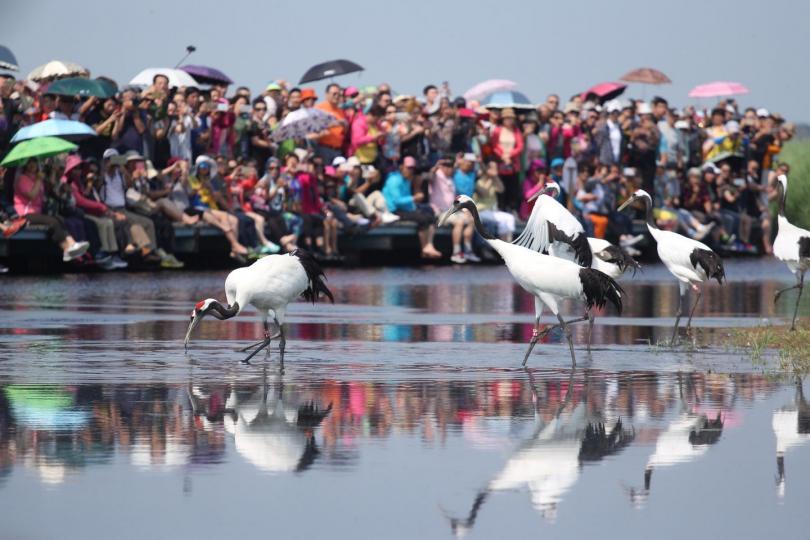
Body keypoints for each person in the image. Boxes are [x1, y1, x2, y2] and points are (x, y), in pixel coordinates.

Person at [13, 158, 90, 261]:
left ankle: (68, 248)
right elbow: (32, 195)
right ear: (25, 165)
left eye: (34, 162)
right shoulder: (22, 179)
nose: (32, 165)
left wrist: (51, 176)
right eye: (29, 163)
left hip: (37, 213)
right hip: (24, 214)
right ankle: (69, 246)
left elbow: (50, 188)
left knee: (59, 219)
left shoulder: (36, 178)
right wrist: (39, 180)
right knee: (52, 221)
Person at [382, 156, 441, 258]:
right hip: (395, 210)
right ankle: (424, 248)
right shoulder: (394, 180)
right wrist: (414, 198)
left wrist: (415, 207)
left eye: (412, 168)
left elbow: (407, 201)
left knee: (430, 215)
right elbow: (397, 201)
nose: (411, 171)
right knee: (423, 219)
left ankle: (429, 245)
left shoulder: (407, 180)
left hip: (405, 208)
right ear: (401, 167)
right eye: (408, 168)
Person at [431, 158, 475, 264]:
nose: (448, 168)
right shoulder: (437, 175)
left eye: (450, 167)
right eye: (445, 166)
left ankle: (468, 251)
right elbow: (429, 176)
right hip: (440, 212)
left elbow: (458, 167)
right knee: (459, 222)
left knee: (472, 219)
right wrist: (436, 166)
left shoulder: (451, 178)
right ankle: (456, 253)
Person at [491, 108, 524, 212]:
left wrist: (509, 155)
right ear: (503, 119)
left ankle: (512, 208)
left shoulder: (516, 130)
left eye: (512, 118)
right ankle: (501, 207)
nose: (510, 121)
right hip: (501, 162)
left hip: (512, 163)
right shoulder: (497, 130)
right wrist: (503, 156)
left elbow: (520, 146)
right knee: (501, 186)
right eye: (508, 118)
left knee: (513, 187)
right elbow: (494, 145)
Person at [314, 83, 346, 163]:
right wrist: (332, 124)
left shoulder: (341, 111)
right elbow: (314, 127)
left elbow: (343, 132)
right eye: (334, 94)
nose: (337, 96)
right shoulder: (319, 108)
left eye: (339, 94)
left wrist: (345, 126)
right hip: (324, 148)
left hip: (338, 150)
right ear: (326, 94)